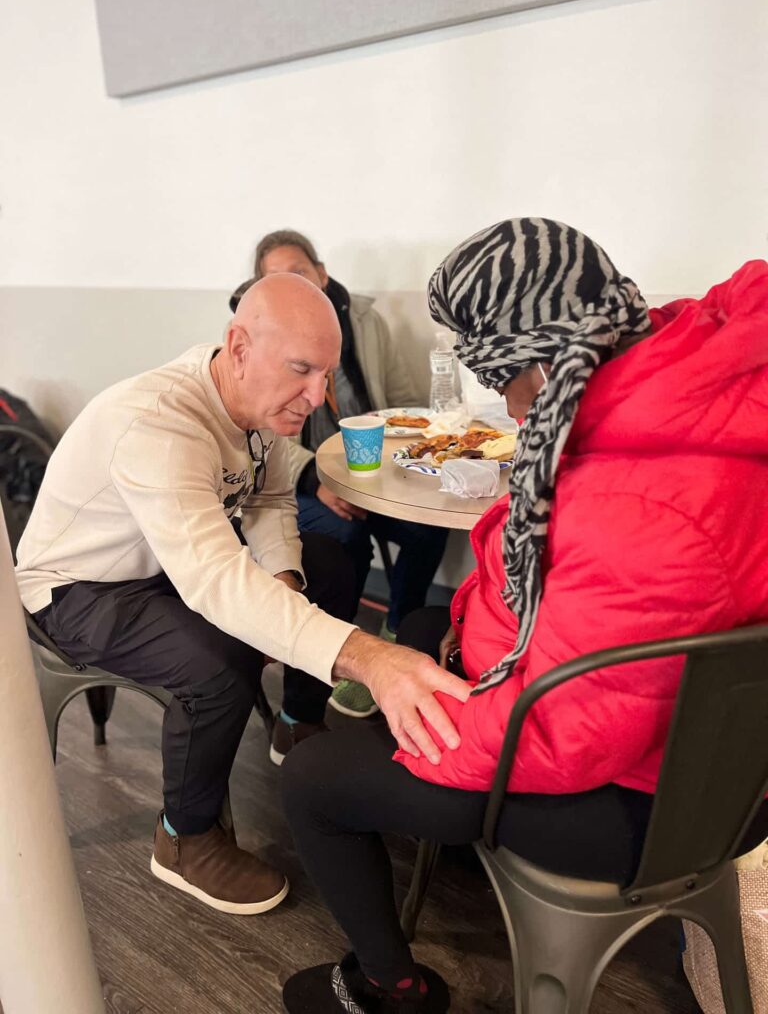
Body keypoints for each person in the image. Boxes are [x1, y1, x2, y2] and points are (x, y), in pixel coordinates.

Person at [279, 219, 768, 1013]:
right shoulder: (686, 407)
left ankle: (388, 988)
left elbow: (565, 736)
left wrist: (427, 732)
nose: (503, 403)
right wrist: (445, 656)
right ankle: (464, 851)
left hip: (655, 802)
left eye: (498, 380)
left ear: (539, 367)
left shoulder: (642, 507)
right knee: (420, 627)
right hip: (681, 747)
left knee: (312, 776)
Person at [15, 273, 470, 919]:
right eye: (302, 370)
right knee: (217, 661)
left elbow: (270, 489)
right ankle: (185, 838)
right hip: (77, 588)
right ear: (239, 346)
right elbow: (218, 583)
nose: (317, 397)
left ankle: (296, 723)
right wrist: (369, 656)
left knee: (329, 564)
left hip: (159, 565)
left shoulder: (249, 398)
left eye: (326, 374)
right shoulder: (158, 425)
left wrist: (285, 579)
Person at [230, 230, 450, 718]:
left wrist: (402, 462)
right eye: (276, 279)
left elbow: (401, 402)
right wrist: (317, 481)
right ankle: (341, 662)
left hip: (368, 474)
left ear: (322, 274)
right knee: (343, 540)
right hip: (299, 484)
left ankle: (399, 632)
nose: (293, 284)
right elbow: (265, 443)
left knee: (427, 523)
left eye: (301, 272)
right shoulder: (259, 343)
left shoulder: (366, 324)